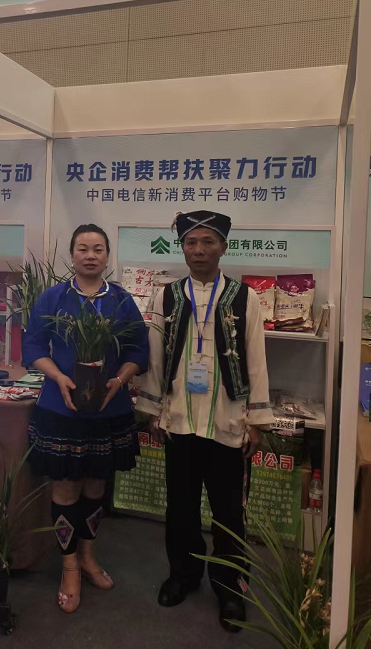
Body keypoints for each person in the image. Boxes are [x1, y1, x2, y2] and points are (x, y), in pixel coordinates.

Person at [136, 210, 274, 632]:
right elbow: (155, 356)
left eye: (207, 242)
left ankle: (230, 590)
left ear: (223, 247)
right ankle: (182, 575)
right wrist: (153, 410)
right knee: (179, 506)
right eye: (191, 242)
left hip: (226, 421)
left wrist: (256, 420)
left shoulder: (244, 297)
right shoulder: (167, 296)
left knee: (229, 512)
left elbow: (256, 358)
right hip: (179, 420)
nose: (199, 250)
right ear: (182, 247)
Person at [24, 224, 149, 614]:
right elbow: (32, 345)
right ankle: (69, 566)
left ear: (108, 255)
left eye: (98, 248)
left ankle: (89, 555)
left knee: (96, 486)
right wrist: (58, 377)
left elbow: (138, 350)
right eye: (83, 248)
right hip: (61, 408)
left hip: (109, 408)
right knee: (65, 489)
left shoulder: (121, 300)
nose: (90, 255)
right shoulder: (54, 297)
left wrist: (120, 380)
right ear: (72, 255)